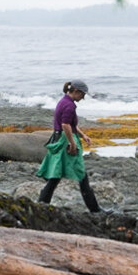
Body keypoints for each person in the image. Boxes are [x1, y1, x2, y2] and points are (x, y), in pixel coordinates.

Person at [38, 78, 100, 212]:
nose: (83, 98)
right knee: (81, 174)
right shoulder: (70, 105)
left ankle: (41, 205)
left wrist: (83, 135)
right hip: (64, 140)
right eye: (82, 95)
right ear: (76, 91)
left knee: (56, 175)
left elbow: (70, 124)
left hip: (58, 137)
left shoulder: (63, 101)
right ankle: (95, 210)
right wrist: (72, 143)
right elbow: (65, 125)